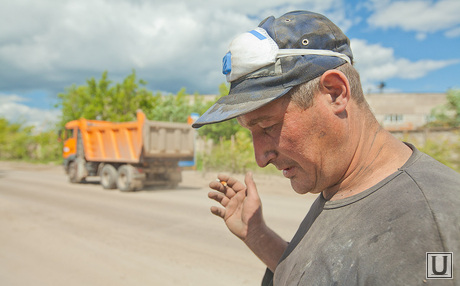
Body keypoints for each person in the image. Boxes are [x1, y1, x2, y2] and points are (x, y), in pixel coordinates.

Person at [192, 10, 460, 285]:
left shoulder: (427, 226)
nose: (261, 157)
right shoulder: (341, 184)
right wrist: (257, 234)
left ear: (335, 92)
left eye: (268, 126)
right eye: (251, 132)